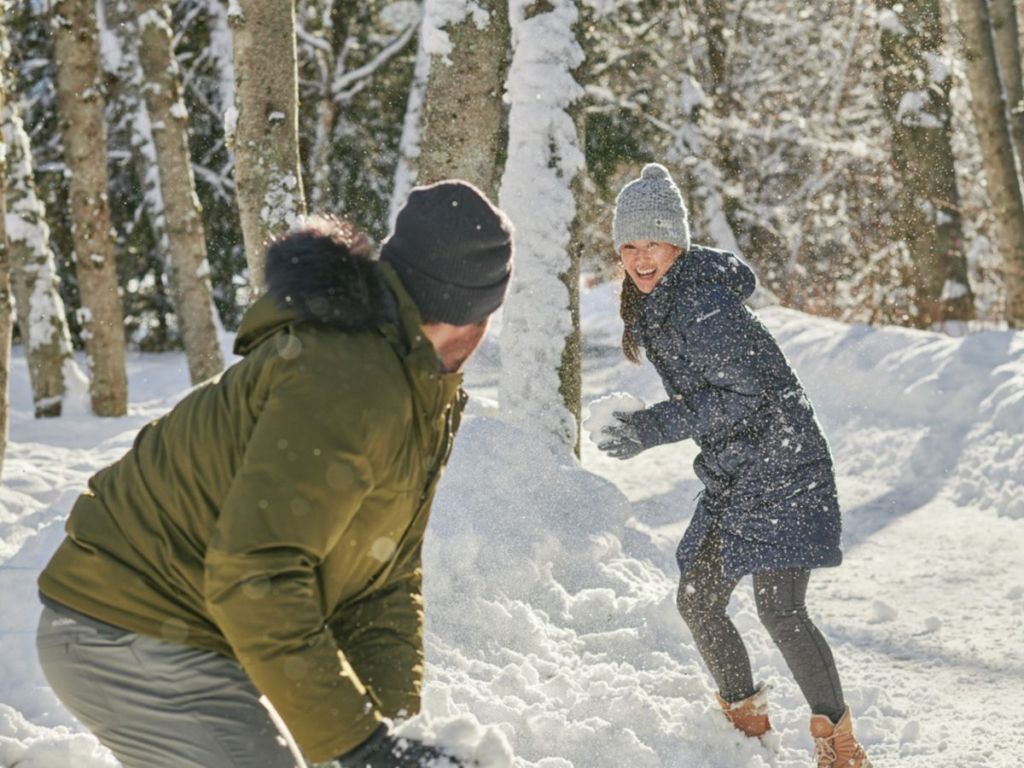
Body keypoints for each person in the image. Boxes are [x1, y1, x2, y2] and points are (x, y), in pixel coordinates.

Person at [35, 180, 514, 768]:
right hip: (125, 623)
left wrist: (385, 732)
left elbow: (384, 580)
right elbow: (256, 572)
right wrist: (360, 747)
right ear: (479, 317)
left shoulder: (417, 388)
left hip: (190, 629)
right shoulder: (349, 380)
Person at [597, 164, 872, 768]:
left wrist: (651, 426)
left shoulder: (700, 305)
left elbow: (743, 397)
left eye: (654, 244)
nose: (642, 258)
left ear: (678, 243)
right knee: (698, 598)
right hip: (737, 474)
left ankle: (840, 746)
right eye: (630, 245)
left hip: (783, 470)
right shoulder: (661, 300)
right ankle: (744, 726)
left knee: (781, 609)